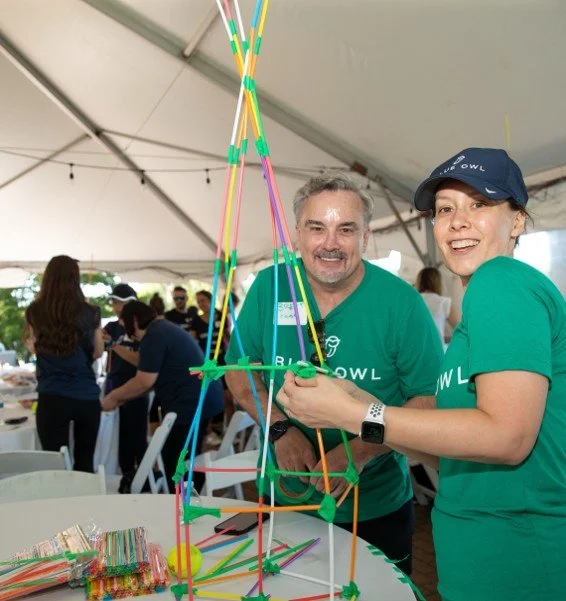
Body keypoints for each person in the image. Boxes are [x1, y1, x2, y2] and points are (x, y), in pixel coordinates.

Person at [277, 149, 566, 601]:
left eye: (480, 204)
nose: (457, 221)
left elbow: (507, 438)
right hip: (480, 560)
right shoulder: (479, 312)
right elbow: (450, 450)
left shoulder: (502, 283)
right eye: (445, 209)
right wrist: (353, 400)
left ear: (517, 222)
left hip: (518, 562)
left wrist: (357, 415)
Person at [225, 173, 443, 575]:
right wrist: (278, 428)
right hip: (283, 499)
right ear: (297, 235)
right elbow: (239, 372)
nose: (330, 243)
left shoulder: (401, 304)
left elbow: (427, 401)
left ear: (365, 237)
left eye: (346, 229)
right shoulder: (269, 288)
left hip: (374, 508)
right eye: (316, 228)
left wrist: (359, 451)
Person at [100, 301, 224, 491]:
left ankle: (183, 501)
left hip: (190, 403)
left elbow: (144, 380)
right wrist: (115, 347)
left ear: (135, 319)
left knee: (174, 459)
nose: (129, 333)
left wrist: (113, 397)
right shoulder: (162, 329)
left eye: (126, 326)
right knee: (185, 456)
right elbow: (145, 362)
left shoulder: (154, 335)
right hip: (203, 399)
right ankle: (191, 494)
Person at [24, 255, 103, 472]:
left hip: (52, 397)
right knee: (85, 463)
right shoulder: (91, 312)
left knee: (55, 467)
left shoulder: (34, 311)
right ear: (75, 279)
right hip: (86, 396)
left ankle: (59, 505)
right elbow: (97, 352)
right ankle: (83, 505)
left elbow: (33, 345)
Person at [103, 284, 149, 479]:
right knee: (118, 435)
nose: (115, 307)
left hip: (137, 386)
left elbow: (140, 359)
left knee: (137, 434)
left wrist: (114, 346)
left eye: (119, 302)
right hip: (114, 384)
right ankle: (124, 475)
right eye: (113, 302)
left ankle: (143, 477)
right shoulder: (111, 327)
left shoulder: (141, 328)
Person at [190, 290, 229, 445]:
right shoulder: (196, 321)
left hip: (220, 361)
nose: (201, 304)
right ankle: (209, 431)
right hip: (205, 364)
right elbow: (192, 343)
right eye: (198, 301)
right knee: (207, 395)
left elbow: (227, 337)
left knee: (226, 396)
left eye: (203, 300)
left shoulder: (220, 316)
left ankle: (222, 429)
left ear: (210, 300)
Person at [415, 266, 460, 345]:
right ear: (438, 282)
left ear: (419, 281)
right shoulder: (444, 302)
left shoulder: (413, 300)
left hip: (414, 350)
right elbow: (461, 329)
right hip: (436, 351)